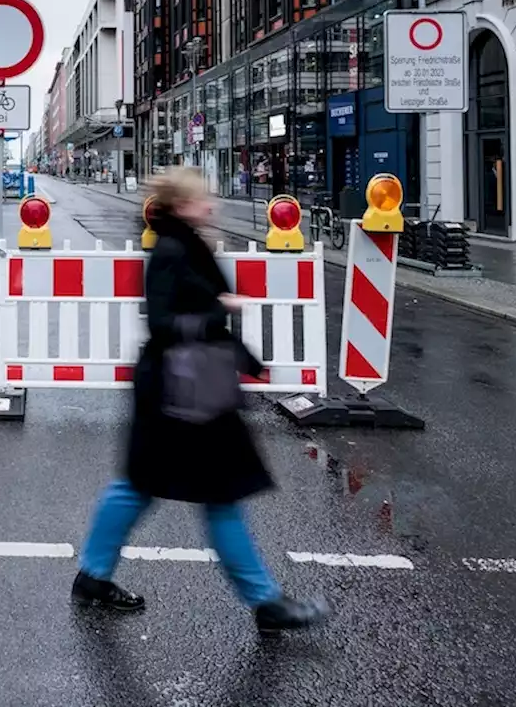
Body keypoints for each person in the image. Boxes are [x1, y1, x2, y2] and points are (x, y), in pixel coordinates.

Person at [71, 166, 328, 635]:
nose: (211, 203)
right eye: (201, 197)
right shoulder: (172, 248)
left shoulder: (185, 242)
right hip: (184, 389)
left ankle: (93, 576)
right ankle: (265, 602)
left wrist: (241, 353)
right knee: (211, 494)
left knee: (145, 486)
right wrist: (221, 308)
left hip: (184, 384)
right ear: (181, 205)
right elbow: (165, 322)